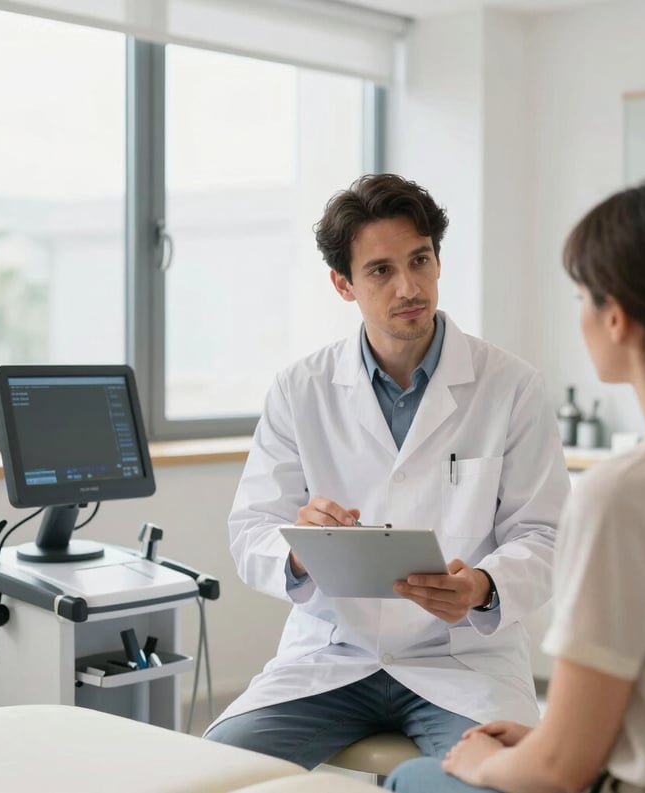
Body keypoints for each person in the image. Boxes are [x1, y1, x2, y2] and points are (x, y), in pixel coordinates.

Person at [385, 179, 645, 793]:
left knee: (417, 777)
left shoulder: (626, 496)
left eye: (580, 295)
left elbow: (559, 772)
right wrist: (553, 738)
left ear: (616, 318)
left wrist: (487, 765)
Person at [204, 173, 570, 769]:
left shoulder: (511, 386)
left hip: (462, 659)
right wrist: (300, 549)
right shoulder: (301, 389)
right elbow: (251, 531)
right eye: (380, 270)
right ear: (343, 284)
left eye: (420, 260)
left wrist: (482, 586)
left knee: (504, 783)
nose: (409, 286)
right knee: (219, 768)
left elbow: (547, 534)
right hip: (332, 654)